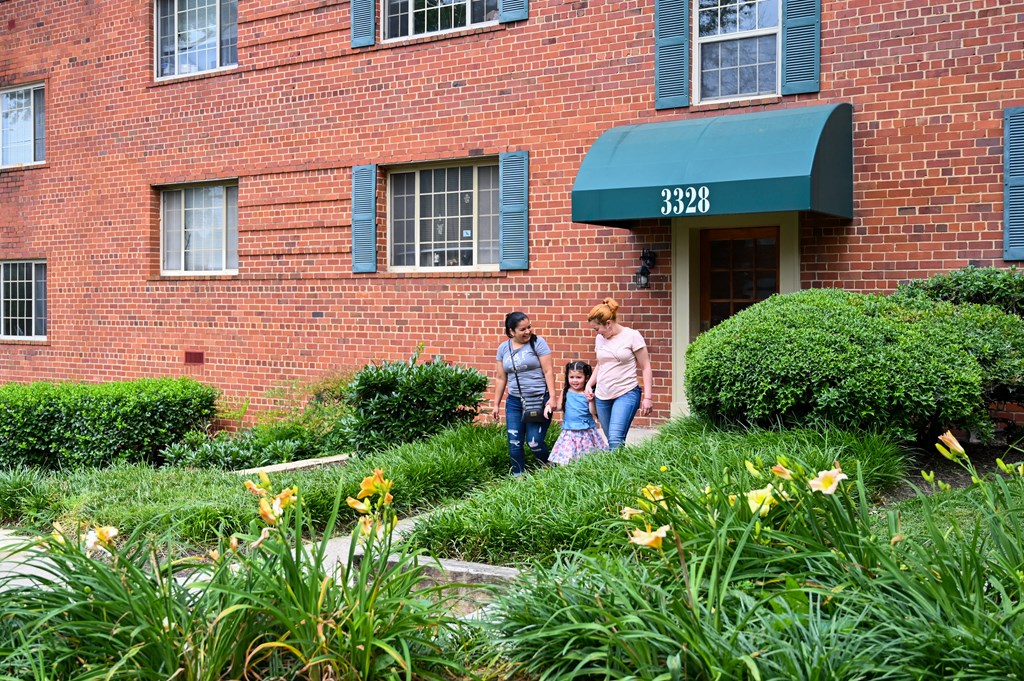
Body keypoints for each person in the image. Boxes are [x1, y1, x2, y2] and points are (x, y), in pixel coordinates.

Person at [491, 311, 558, 476]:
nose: (528, 331)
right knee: (514, 443)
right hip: (514, 402)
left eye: (529, 327)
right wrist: (495, 404)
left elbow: (548, 370)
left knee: (534, 443)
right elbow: (501, 378)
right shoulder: (503, 348)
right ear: (512, 331)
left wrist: (552, 398)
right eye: (523, 329)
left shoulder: (538, 343)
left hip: (538, 399)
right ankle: (518, 478)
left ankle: (549, 466)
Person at [584, 298, 653, 450]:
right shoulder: (600, 339)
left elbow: (646, 366)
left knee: (615, 440)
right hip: (602, 396)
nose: (597, 333)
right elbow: (601, 364)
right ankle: (622, 472)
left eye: (597, 329)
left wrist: (648, 397)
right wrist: (589, 384)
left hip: (626, 392)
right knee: (613, 443)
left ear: (608, 323)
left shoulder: (632, 336)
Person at [550, 360, 607, 465]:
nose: (574, 380)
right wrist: (548, 407)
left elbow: (593, 412)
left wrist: (590, 400)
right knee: (567, 457)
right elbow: (558, 406)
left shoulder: (588, 392)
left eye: (578, 377)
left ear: (586, 378)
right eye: (571, 377)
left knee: (587, 457)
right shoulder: (566, 391)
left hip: (586, 431)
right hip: (569, 431)